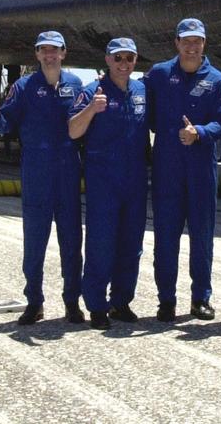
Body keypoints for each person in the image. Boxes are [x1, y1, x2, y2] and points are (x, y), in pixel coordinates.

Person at [0, 30, 86, 326]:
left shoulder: (76, 84)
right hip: (37, 174)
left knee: (71, 242)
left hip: (68, 172)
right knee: (35, 243)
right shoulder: (24, 86)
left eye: (54, 50)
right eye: (44, 50)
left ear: (64, 53)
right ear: (37, 54)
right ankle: (35, 302)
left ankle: (72, 302)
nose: (49, 55)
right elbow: (6, 125)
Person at [143, 17, 221, 322]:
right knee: (165, 237)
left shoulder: (218, 80)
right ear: (177, 43)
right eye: (186, 41)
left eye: (197, 41)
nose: (192, 47)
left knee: (202, 236)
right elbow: (140, 104)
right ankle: (166, 299)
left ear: (204, 43)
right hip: (167, 167)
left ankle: (200, 298)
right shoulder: (159, 74)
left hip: (200, 167)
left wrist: (201, 132)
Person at [68, 38, 151, 329]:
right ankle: (96, 305)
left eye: (129, 59)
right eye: (118, 59)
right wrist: (91, 109)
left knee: (131, 244)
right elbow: (74, 131)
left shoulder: (142, 90)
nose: (124, 64)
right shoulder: (92, 91)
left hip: (135, 179)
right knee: (101, 244)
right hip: (103, 180)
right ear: (107, 60)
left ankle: (121, 301)